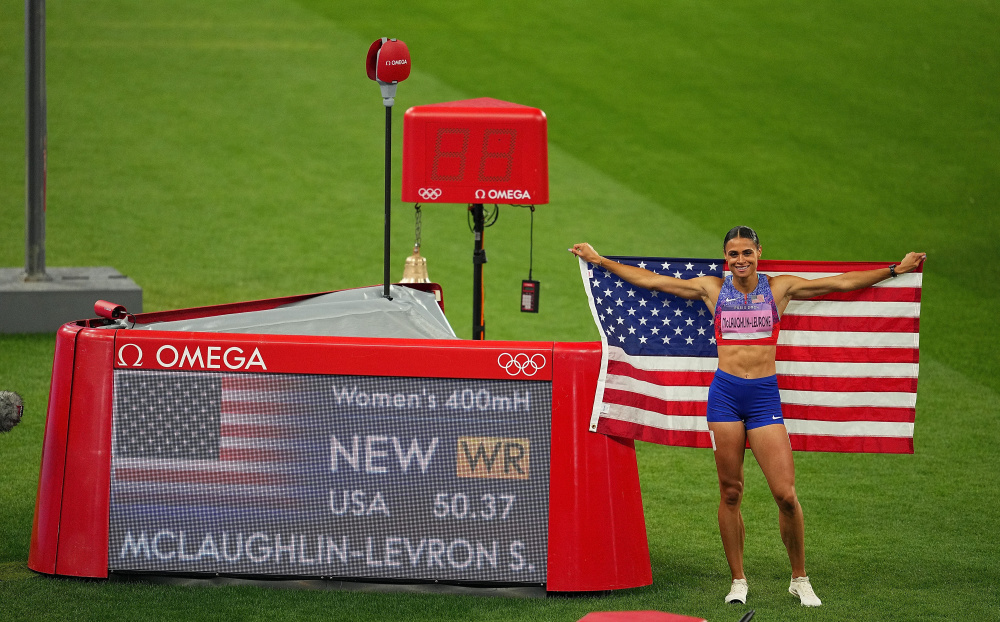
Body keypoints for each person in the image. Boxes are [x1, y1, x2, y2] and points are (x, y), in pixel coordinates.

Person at [570, 227, 926, 607]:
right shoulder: (711, 289)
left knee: (786, 495)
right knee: (731, 491)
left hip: (762, 398)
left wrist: (895, 269)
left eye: (746, 253)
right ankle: (738, 579)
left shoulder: (779, 289)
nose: (740, 260)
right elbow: (655, 282)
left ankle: (799, 578)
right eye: (733, 254)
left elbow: (840, 283)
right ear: (726, 258)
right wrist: (600, 260)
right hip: (724, 397)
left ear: (759, 252)